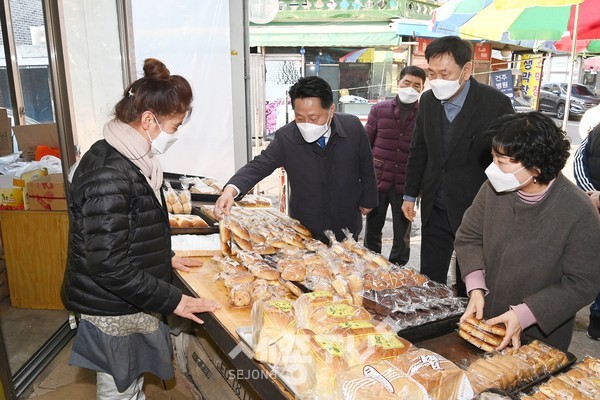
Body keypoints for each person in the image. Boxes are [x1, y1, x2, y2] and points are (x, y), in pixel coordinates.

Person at [61, 58, 221, 399]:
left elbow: (128, 229)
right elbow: (106, 263)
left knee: (130, 380)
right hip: (109, 305)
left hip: (124, 296)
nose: (175, 135)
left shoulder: (133, 158)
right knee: (119, 385)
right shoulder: (108, 172)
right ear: (149, 120)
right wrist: (172, 300)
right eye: (174, 126)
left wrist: (163, 257)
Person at [455, 112, 600, 352]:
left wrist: (525, 314)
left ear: (536, 167)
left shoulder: (579, 211)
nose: (493, 169)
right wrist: (476, 287)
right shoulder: (492, 189)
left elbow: (582, 282)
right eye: (493, 158)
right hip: (486, 317)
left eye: (502, 162)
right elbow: (469, 236)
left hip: (539, 335)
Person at [400, 36, 514, 293]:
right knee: (430, 278)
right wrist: (410, 193)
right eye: (432, 73)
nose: (438, 80)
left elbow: (509, 159)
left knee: (471, 280)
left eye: (445, 73)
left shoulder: (495, 104)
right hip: (434, 205)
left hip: (474, 208)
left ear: (467, 69)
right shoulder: (428, 102)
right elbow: (418, 149)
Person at [214, 76, 378, 243]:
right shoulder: (286, 137)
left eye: (314, 118)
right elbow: (259, 165)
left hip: (347, 221)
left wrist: (369, 199)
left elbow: (366, 164)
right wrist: (230, 191)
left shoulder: (353, 127)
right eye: (300, 118)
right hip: (306, 226)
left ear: (331, 109)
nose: (307, 124)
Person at [363, 65, 426, 265]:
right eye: (407, 83)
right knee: (373, 228)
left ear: (422, 88)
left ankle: (397, 270)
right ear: (398, 82)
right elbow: (365, 146)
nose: (411, 88)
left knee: (402, 232)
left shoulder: (425, 115)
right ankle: (372, 266)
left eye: (417, 85)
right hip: (378, 180)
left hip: (406, 185)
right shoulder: (379, 110)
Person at [572, 122, 600, 341]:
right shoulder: (596, 131)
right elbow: (579, 160)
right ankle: (597, 321)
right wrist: (591, 193)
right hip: (594, 207)